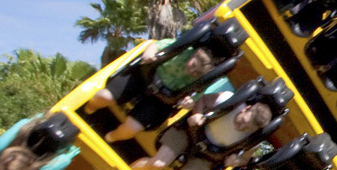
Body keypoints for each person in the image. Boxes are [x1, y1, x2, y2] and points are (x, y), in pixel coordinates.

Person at [89, 27, 238, 142]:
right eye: (192, 65)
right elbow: (155, 45)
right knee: (103, 96)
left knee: (130, 130)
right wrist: (149, 54)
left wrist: (189, 102)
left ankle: (108, 137)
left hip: (160, 99)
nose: (192, 71)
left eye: (197, 73)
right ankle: (90, 109)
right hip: (145, 77)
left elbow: (195, 97)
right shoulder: (181, 50)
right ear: (193, 55)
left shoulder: (205, 79)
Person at [137, 94, 278, 170]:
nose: (241, 127)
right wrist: (197, 113)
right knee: (157, 163)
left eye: (246, 128)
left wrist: (236, 160)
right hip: (190, 134)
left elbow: (245, 159)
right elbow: (203, 100)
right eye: (242, 121)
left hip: (208, 156)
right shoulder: (228, 100)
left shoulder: (255, 139)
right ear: (246, 109)